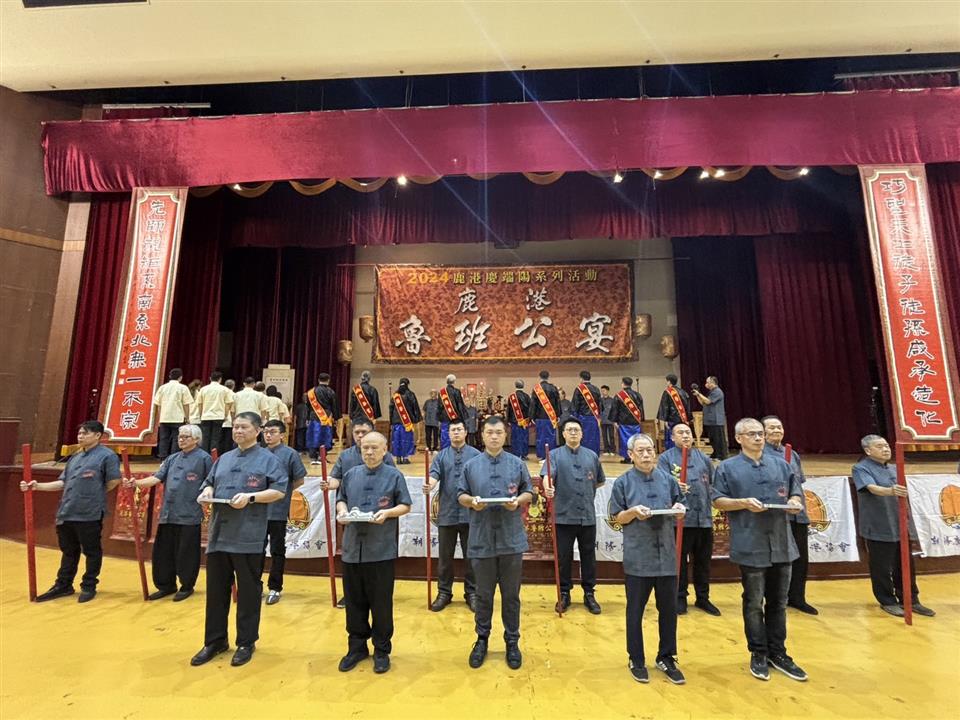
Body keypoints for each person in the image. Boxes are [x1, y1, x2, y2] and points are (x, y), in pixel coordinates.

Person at [711, 418, 807, 682]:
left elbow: (796, 491)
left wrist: (795, 501)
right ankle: (758, 652)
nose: (758, 438)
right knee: (754, 602)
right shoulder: (728, 467)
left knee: (779, 602)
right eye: (752, 434)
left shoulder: (781, 464)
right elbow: (718, 500)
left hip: (782, 543)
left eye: (760, 434)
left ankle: (779, 652)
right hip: (750, 543)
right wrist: (742, 503)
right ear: (738, 438)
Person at [191, 412, 286, 668]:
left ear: (257, 431)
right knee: (216, 593)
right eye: (235, 427)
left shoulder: (268, 460)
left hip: (248, 536)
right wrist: (206, 491)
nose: (238, 431)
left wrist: (251, 497)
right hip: (219, 536)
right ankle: (215, 641)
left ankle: (246, 642)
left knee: (248, 593)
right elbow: (209, 483)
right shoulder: (224, 458)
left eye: (244, 427)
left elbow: (278, 491)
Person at [610, 433, 687, 684]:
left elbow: (681, 504)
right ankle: (636, 658)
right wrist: (632, 512)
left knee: (669, 610)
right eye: (641, 451)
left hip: (666, 556)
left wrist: (680, 509)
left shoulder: (668, 480)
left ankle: (666, 657)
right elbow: (616, 518)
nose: (646, 455)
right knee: (635, 610)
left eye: (650, 450)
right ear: (630, 455)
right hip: (638, 557)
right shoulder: (623, 483)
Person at [458, 416, 534, 670]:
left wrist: (518, 501)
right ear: (482, 435)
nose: (493, 436)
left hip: (511, 540)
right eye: (489, 432)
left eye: (498, 432)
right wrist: (472, 502)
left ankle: (512, 641)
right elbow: (461, 494)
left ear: (505, 435)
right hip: (481, 539)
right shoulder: (471, 466)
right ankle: (482, 639)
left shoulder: (516, 464)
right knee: (483, 594)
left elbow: (528, 491)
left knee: (511, 596)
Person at [336, 432, 412, 674]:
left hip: (380, 549)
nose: (369, 452)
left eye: (374, 448)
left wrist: (388, 513)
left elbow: (405, 505)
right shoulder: (351, 475)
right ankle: (356, 647)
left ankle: (381, 649)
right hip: (352, 549)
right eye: (365, 448)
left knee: (381, 603)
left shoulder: (394, 475)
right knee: (354, 602)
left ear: (384, 450)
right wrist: (342, 512)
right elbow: (341, 499)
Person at [21, 420, 122, 603]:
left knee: (91, 551)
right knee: (69, 551)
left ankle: (89, 585)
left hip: (89, 513)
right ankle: (63, 585)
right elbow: (62, 482)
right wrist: (37, 486)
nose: (80, 436)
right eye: (79, 433)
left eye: (85, 433)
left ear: (97, 435)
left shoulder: (107, 456)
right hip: (67, 511)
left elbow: (113, 481)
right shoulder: (75, 457)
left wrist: (93, 494)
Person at [124, 424, 211, 602]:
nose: (181, 439)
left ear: (196, 439)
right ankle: (166, 585)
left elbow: (211, 481)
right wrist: (136, 483)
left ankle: (186, 586)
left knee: (186, 553)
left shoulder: (204, 458)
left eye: (186, 437)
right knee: (163, 553)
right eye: (180, 436)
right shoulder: (172, 458)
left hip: (189, 515)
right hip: (168, 514)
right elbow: (156, 478)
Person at [853, 435, 935, 618]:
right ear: (868, 450)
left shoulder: (894, 468)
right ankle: (887, 600)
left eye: (887, 446)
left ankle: (911, 599)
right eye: (880, 446)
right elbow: (871, 487)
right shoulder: (861, 468)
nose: (885, 449)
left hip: (899, 523)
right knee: (881, 566)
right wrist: (890, 491)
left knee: (906, 564)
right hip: (878, 525)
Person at [541, 417, 606, 614]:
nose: (573, 433)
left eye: (576, 430)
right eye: (569, 430)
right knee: (564, 556)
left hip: (587, 516)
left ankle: (589, 594)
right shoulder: (554, 455)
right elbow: (547, 477)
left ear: (582, 433)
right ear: (563, 434)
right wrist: (548, 488)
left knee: (589, 556)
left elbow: (600, 481)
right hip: (563, 515)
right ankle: (564, 593)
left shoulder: (591, 456)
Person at [657, 423, 719, 616]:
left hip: (703, 519)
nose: (685, 436)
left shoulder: (703, 458)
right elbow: (660, 485)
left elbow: (713, 484)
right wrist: (675, 486)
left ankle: (703, 597)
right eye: (680, 433)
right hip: (681, 520)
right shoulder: (665, 459)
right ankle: (680, 597)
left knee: (703, 561)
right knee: (680, 562)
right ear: (672, 437)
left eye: (688, 432)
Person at [762, 416, 817, 615]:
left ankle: (798, 597)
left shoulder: (791, 453)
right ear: (763, 432)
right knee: (776, 559)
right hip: (776, 515)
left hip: (797, 514)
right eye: (771, 427)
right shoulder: (760, 454)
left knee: (800, 558)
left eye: (779, 427)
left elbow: (797, 483)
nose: (776, 430)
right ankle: (776, 598)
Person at [424, 420, 481, 611]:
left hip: (470, 514)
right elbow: (434, 475)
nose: (456, 432)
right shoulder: (441, 456)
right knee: (445, 558)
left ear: (465, 432)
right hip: (447, 513)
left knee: (471, 557)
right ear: (448, 434)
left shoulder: (475, 455)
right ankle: (444, 592)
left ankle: (472, 593)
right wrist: (429, 484)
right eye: (453, 430)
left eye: (459, 429)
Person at [263, 419, 307, 605]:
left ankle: (275, 587)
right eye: (266, 431)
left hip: (278, 511)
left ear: (282, 435)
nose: (268, 435)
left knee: (277, 550)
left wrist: (283, 493)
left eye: (272, 432)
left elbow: (299, 480)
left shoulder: (290, 454)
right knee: (255, 550)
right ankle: (254, 585)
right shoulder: (258, 452)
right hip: (257, 511)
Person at [153, 369, 193, 460]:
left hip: (164, 417)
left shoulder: (162, 388)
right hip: (177, 418)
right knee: (177, 439)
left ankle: (163, 459)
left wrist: (160, 416)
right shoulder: (183, 388)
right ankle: (174, 458)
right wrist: (187, 417)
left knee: (164, 439)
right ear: (180, 377)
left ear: (169, 376)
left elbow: (158, 405)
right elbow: (186, 404)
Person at [306, 372, 341, 463]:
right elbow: (335, 406)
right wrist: (336, 418)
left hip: (313, 416)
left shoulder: (311, 392)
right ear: (328, 380)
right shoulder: (331, 392)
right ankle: (322, 456)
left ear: (318, 380)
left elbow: (308, 407)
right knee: (325, 436)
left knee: (313, 436)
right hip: (326, 417)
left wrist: (307, 418)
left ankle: (313, 457)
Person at [197, 371, 234, 454]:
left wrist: (201, 414)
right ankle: (213, 457)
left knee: (205, 438)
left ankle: (204, 456)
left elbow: (199, 403)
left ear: (210, 378)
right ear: (220, 379)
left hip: (205, 416)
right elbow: (228, 403)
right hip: (218, 416)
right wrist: (225, 415)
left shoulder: (203, 389)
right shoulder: (225, 390)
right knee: (215, 439)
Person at [611, 377, 645, 464]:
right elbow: (641, 409)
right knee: (635, 441)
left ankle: (627, 458)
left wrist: (614, 421)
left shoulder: (619, 395)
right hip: (635, 422)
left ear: (623, 383)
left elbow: (615, 409)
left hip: (624, 422)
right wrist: (641, 419)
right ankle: (636, 457)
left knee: (625, 440)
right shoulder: (638, 395)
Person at [692, 376, 727, 460]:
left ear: (712, 383)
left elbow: (708, 401)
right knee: (712, 439)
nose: (706, 384)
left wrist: (699, 394)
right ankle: (715, 453)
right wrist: (697, 395)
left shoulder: (717, 391)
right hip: (709, 419)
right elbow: (703, 402)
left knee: (718, 439)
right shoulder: (711, 392)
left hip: (716, 420)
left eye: (707, 382)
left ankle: (721, 455)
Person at [529, 369, 561, 460]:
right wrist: (558, 415)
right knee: (551, 436)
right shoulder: (554, 388)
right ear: (548, 377)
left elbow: (533, 404)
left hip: (540, 417)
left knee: (541, 437)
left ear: (539, 377)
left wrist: (532, 416)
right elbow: (557, 402)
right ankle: (551, 456)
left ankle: (541, 456)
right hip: (551, 417)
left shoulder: (536, 389)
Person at [389, 378, 421, 464]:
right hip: (407, 423)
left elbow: (391, 409)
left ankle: (398, 458)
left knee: (397, 440)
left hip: (396, 422)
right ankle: (405, 458)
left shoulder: (395, 395)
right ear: (408, 384)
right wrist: (416, 419)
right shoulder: (410, 394)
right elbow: (415, 407)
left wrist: (391, 421)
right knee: (407, 440)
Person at [571, 370, 603, 455]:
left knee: (583, 437)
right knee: (594, 437)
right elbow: (600, 405)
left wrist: (574, 417)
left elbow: (575, 405)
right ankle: (594, 454)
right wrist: (599, 417)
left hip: (583, 418)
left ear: (581, 378)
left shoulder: (579, 389)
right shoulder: (596, 389)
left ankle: (583, 455)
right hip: (594, 418)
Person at [656, 374, 691, 451]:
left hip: (672, 419)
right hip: (683, 419)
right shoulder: (684, 392)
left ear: (669, 382)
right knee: (682, 436)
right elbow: (688, 407)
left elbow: (665, 406)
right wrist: (688, 418)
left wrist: (665, 419)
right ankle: (683, 453)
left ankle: (672, 454)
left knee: (672, 437)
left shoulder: (667, 392)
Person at [438, 374, 467, 450]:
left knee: (445, 435)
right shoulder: (456, 391)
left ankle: (444, 451)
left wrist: (439, 418)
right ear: (454, 382)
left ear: (447, 381)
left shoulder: (441, 392)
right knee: (455, 434)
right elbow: (460, 405)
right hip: (455, 418)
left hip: (444, 418)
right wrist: (462, 418)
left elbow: (439, 407)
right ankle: (455, 450)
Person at [505, 379, 532, 459]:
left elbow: (509, 410)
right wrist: (530, 420)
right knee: (524, 437)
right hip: (525, 422)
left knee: (515, 438)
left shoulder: (512, 397)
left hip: (515, 421)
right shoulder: (527, 396)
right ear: (523, 386)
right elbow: (530, 409)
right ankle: (524, 454)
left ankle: (516, 454)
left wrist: (508, 420)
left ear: (515, 385)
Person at [220, 379, 237, 455]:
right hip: (229, 420)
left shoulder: (220, 393)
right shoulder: (234, 395)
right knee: (227, 442)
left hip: (219, 419)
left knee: (219, 441)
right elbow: (233, 409)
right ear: (233, 386)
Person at [600, 385, 616, 455]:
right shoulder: (600, 400)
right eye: (602, 391)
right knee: (604, 436)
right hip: (603, 420)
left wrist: (614, 420)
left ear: (607, 391)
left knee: (611, 436)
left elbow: (614, 411)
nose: (602, 392)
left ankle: (612, 450)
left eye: (604, 391)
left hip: (610, 421)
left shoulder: (612, 400)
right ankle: (606, 450)